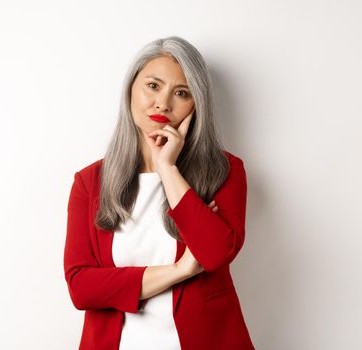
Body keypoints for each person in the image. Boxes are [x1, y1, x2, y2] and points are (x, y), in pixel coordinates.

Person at [63, 36, 256, 350]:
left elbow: (215, 254)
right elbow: (81, 288)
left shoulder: (225, 170)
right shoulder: (90, 182)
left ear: (197, 104)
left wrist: (168, 168)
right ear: (131, 89)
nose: (163, 103)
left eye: (181, 93)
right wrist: (179, 271)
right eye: (153, 86)